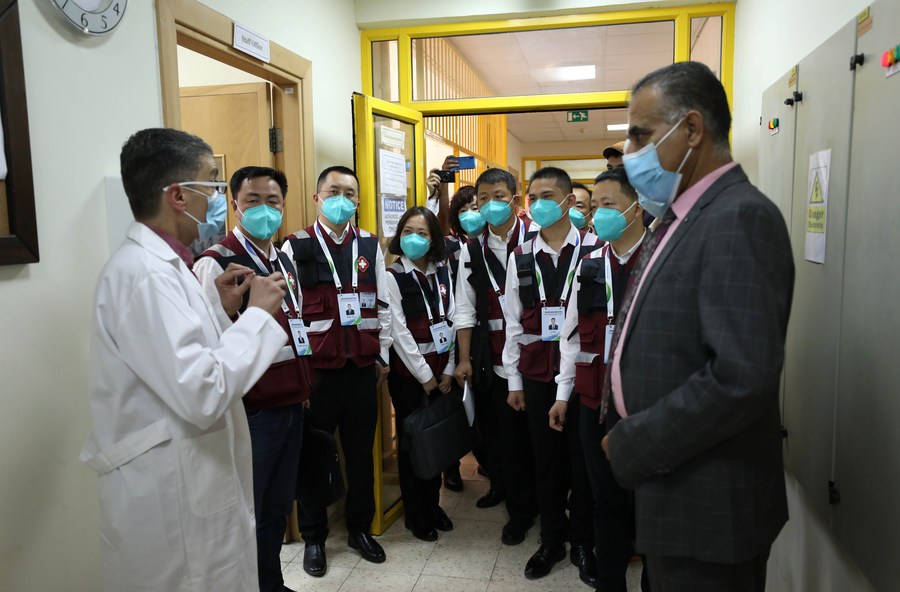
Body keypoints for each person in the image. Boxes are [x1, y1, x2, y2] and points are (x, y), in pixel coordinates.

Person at [602, 61, 794, 592]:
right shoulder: (686, 214)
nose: (630, 153)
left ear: (691, 129)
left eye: (640, 135)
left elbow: (740, 377)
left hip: (709, 504)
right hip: (676, 483)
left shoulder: (738, 217)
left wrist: (634, 442)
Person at [80, 128, 290, 592]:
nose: (217, 197)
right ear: (177, 196)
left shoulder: (170, 267)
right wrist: (258, 315)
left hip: (191, 475)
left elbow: (189, 356)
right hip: (168, 492)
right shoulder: (144, 275)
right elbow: (202, 390)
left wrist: (221, 310)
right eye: (212, 182)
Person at [193, 166, 313, 592]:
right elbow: (209, 342)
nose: (265, 210)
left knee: (277, 508)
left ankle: (271, 583)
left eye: (273, 201)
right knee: (249, 509)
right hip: (252, 410)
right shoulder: (215, 263)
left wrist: (302, 385)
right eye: (253, 201)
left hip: (290, 400)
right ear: (235, 206)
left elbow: (293, 326)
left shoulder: (282, 256)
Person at [282, 166, 392, 577]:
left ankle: (359, 529)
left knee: (361, 455)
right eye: (333, 191)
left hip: (361, 369)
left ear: (358, 200)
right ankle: (314, 537)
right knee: (314, 456)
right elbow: (289, 312)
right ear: (317, 198)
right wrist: (299, 376)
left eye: (349, 193)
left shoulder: (370, 244)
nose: (341, 199)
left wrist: (382, 357)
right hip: (317, 375)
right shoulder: (296, 246)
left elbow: (383, 305)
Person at [551, 166, 650, 592]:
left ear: (637, 208)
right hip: (595, 404)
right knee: (605, 500)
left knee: (649, 504)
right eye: (596, 207)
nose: (599, 215)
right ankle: (611, 582)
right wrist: (562, 395)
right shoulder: (589, 266)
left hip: (647, 408)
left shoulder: (661, 260)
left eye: (609, 205)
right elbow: (571, 337)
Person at [502, 166, 601, 586]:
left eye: (547, 196)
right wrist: (514, 381)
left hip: (585, 377)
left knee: (583, 464)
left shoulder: (595, 250)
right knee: (546, 462)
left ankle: (581, 542)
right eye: (533, 197)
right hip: (538, 372)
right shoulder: (521, 256)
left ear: (568, 201)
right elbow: (512, 322)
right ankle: (551, 540)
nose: (539, 204)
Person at [454, 168, 538, 544]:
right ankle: (516, 508)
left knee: (537, 439)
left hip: (536, 358)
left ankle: (541, 502)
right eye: (483, 198)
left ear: (515, 200)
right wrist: (464, 359)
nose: (491, 204)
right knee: (502, 437)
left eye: (499, 196)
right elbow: (464, 309)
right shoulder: (472, 250)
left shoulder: (536, 239)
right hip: (494, 359)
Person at [385, 206, 457, 542]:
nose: (414, 238)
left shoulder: (441, 271)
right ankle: (416, 514)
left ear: (433, 239)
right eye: (408, 231)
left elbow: (452, 319)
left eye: (422, 233)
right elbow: (399, 332)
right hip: (410, 378)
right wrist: (425, 376)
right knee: (413, 445)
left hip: (442, 373)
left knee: (436, 441)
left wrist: (450, 368)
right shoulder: (393, 275)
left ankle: (433, 504)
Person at [440, 184, 482, 493]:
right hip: (452, 330)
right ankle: (451, 467)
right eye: (463, 210)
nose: (470, 215)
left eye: (475, 208)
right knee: (455, 402)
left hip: (484, 332)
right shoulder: (450, 248)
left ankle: (486, 457)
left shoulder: (497, 243)